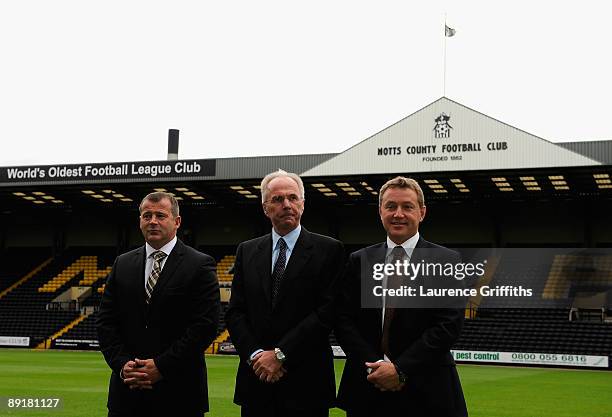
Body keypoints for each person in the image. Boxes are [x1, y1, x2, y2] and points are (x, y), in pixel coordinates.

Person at [335, 176, 468, 417]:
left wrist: (400, 370)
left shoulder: (446, 261)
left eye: (407, 207)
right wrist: (376, 368)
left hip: (428, 389)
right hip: (367, 387)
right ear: (380, 211)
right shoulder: (359, 260)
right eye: (391, 206)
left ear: (422, 212)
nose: (398, 214)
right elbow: (344, 320)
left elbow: (449, 325)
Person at [226, 169, 344, 417]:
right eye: (277, 199)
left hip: (307, 383)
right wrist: (257, 356)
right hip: (256, 382)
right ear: (265, 207)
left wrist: (280, 354)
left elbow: (327, 312)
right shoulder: (246, 251)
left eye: (293, 197)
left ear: (303, 203)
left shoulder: (329, 250)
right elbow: (236, 312)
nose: (286, 205)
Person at [97, 192, 220, 417]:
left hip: (179, 395)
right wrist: (123, 366)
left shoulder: (200, 264)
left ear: (177, 221)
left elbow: (205, 326)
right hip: (126, 394)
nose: (153, 221)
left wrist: (161, 367)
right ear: (140, 221)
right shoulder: (122, 263)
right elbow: (106, 321)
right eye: (147, 215)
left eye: (161, 215)